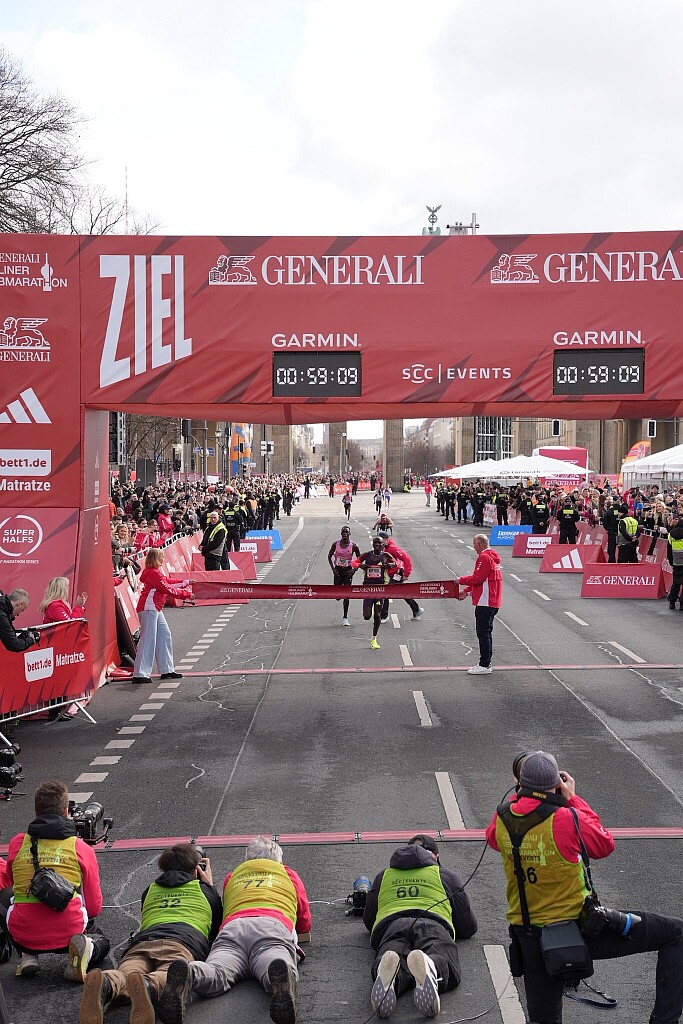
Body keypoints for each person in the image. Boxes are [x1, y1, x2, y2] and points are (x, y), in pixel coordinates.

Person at [486, 750, 683, 1024]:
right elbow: (604, 844)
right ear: (557, 783)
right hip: (576, 931)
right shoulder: (566, 818)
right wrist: (572, 798)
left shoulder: (502, 818)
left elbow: (493, 840)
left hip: (528, 936)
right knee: (675, 933)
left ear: (519, 783)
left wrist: (520, 797)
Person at [157, 836, 311, 1024]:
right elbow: (303, 918)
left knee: (217, 971)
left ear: (247, 859)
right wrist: (301, 929)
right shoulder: (288, 874)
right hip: (271, 926)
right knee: (272, 960)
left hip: (233, 928)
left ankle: (191, 973)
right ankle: (280, 977)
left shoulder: (233, 876)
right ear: (278, 860)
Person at [79, 842, 222, 1024]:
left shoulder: (150, 890)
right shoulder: (205, 891)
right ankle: (148, 986)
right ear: (196, 871)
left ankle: (107, 983)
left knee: (127, 973)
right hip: (182, 942)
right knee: (169, 973)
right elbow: (215, 929)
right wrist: (210, 886)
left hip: (143, 942)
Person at [363, 834, 477, 1018]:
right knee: (444, 957)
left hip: (392, 925)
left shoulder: (383, 876)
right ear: (435, 857)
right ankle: (432, 966)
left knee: (393, 953)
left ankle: (389, 975)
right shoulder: (444, 875)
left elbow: (369, 920)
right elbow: (468, 927)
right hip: (432, 923)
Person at [5, 779, 109, 980]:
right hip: (68, 933)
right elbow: (94, 908)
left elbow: (11, 882)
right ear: (65, 812)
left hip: (24, 934)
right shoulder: (80, 848)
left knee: (7, 896)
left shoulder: (17, 843)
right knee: (102, 941)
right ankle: (86, 950)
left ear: (36, 812)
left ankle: (27, 957)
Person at [132, 548, 192, 685]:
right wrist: (187, 594)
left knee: (164, 635)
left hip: (153, 607)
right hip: (149, 607)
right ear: (156, 559)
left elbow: (167, 582)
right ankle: (140, 673)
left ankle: (166, 669)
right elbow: (167, 588)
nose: (163, 559)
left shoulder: (154, 572)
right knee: (148, 639)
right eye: (161, 557)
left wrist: (186, 582)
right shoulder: (154, 573)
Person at [456, 534, 502, 675]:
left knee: (483, 633)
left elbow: (477, 578)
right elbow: (484, 580)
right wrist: (467, 592)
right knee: (486, 632)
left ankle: (484, 664)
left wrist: (460, 580)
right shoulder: (492, 557)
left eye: (474, 544)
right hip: (491, 600)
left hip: (485, 602)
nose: (473, 547)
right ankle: (486, 662)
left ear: (480, 544)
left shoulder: (484, 557)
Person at [358, 537, 397, 650]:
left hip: (380, 588)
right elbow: (354, 563)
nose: (377, 545)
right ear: (372, 544)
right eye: (375, 543)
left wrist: (390, 565)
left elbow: (396, 563)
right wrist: (360, 566)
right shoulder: (366, 555)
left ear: (382, 545)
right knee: (367, 616)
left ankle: (374, 638)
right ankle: (368, 611)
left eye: (379, 543)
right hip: (368, 588)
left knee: (377, 615)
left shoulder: (386, 556)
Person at [377, 532, 424, 621]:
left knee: (386, 593)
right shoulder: (383, 549)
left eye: (381, 541)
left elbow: (406, 558)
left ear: (386, 540)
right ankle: (416, 609)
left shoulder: (392, 548)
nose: (379, 543)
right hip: (392, 574)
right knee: (402, 592)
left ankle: (384, 616)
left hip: (397, 574)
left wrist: (406, 574)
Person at [328, 526, 361, 626]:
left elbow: (359, 559)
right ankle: (340, 592)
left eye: (347, 532)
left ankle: (345, 617)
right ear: (341, 533)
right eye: (343, 532)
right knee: (337, 596)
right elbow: (329, 556)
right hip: (338, 570)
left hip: (347, 571)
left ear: (349, 534)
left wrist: (354, 570)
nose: (345, 534)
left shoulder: (354, 546)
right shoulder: (335, 544)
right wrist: (333, 569)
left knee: (347, 595)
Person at [666, 510, 683, 609]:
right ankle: (682, 604)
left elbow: (669, 549)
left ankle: (672, 602)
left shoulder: (671, 534)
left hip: (676, 561)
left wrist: (671, 561)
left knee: (676, 582)